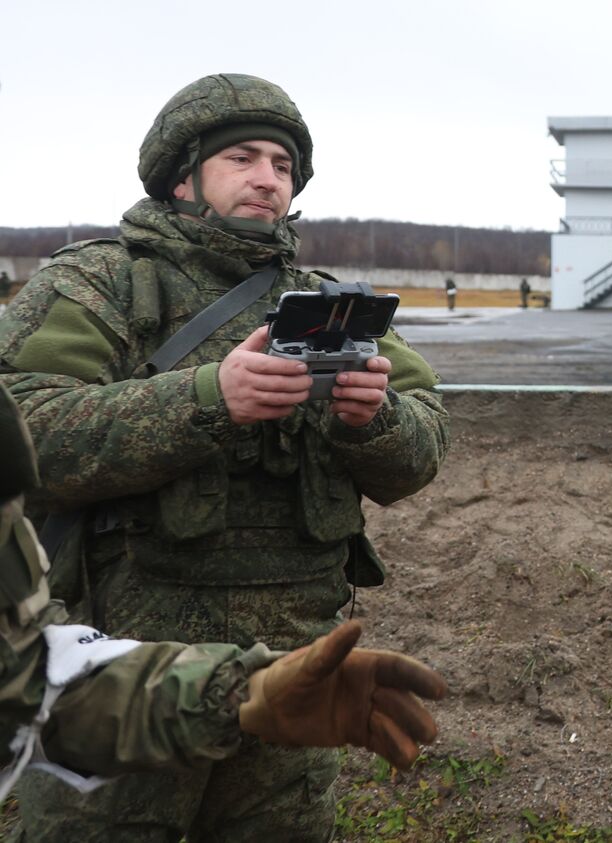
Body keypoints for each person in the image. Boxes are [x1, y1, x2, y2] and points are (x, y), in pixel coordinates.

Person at [0, 73, 450, 841]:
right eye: (244, 157)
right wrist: (209, 398)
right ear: (184, 174)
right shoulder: (99, 284)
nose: (268, 178)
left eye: (282, 165)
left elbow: (423, 452)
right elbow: (30, 433)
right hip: (122, 684)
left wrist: (369, 419)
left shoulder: (330, 303)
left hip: (296, 678)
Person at [2, 380, 447, 799]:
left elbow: (34, 683)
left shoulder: (339, 311)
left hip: (279, 670)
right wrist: (206, 397)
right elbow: (38, 435)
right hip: (123, 658)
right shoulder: (86, 299)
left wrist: (242, 693)